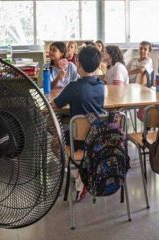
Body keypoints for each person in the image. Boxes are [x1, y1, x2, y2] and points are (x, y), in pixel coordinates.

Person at [52, 46, 105, 201]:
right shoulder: (101, 86)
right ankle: (83, 171)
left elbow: (56, 105)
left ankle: (78, 175)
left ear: (78, 64)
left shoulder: (74, 87)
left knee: (54, 143)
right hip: (96, 138)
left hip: (78, 139)